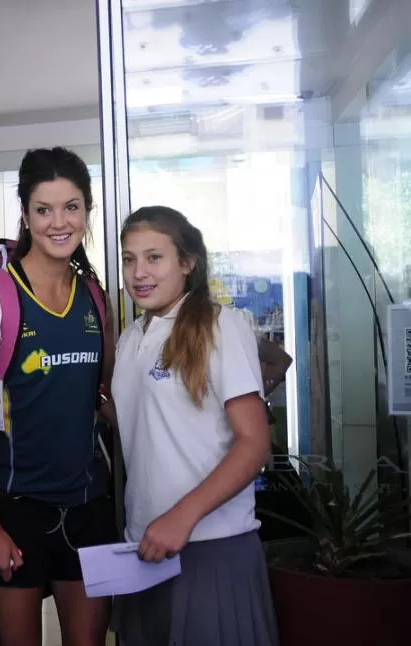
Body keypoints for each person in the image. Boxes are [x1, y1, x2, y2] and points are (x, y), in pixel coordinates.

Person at [0, 147, 116, 646]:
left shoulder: (95, 297)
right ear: (24, 214)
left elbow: (102, 400)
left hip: (89, 506)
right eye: (44, 209)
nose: (59, 222)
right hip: (15, 511)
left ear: (88, 211)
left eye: (72, 207)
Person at [111, 206, 278, 646]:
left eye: (154, 258)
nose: (138, 272)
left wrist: (180, 518)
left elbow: (253, 442)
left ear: (187, 263)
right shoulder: (132, 337)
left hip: (211, 546)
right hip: (144, 545)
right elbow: (148, 424)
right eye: (129, 259)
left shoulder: (220, 325)